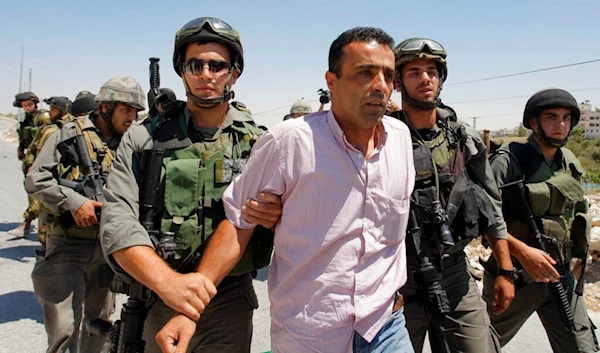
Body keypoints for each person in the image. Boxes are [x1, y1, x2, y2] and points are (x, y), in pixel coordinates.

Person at [157, 26, 416, 353]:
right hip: (312, 335)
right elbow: (239, 222)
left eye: (388, 75)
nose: (380, 85)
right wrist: (188, 311)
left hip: (385, 326)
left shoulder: (401, 140)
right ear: (331, 81)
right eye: (365, 73)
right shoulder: (289, 142)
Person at [99, 17, 277, 353]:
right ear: (182, 71)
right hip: (158, 295)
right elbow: (117, 223)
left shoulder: (257, 143)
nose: (206, 75)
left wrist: (274, 214)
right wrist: (170, 285)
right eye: (196, 65)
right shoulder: (145, 137)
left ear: (234, 72)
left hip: (228, 302)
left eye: (217, 66)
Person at [388, 37, 514, 353]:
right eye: (414, 71)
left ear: (441, 78)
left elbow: (492, 208)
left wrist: (506, 270)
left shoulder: (463, 139)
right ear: (398, 82)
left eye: (432, 70)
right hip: (396, 278)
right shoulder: (380, 136)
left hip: (454, 272)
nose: (425, 78)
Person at [26, 76, 145, 353]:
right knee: (64, 332)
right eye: (126, 110)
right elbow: (37, 180)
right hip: (68, 246)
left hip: (107, 248)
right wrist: (74, 202)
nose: (132, 117)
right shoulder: (68, 134)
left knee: (99, 328)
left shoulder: (131, 142)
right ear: (106, 107)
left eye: (136, 112)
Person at [482, 88, 599, 353]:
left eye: (567, 118)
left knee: (582, 346)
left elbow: (574, 214)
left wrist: (578, 257)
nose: (561, 124)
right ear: (534, 122)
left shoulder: (568, 161)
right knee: (481, 346)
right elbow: (482, 216)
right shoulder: (509, 160)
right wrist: (519, 257)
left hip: (561, 274)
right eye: (551, 117)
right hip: (516, 276)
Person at [23, 96, 74, 250]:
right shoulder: (47, 129)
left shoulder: (71, 130)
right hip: (45, 179)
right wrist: (30, 165)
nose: (50, 112)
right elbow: (32, 150)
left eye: (54, 109)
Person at [9, 91, 50, 237]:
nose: (27, 107)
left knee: (36, 192)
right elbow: (24, 136)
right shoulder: (26, 119)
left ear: (35, 104)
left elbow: (49, 137)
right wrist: (21, 149)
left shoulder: (43, 117)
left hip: (40, 160)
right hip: (29, 158)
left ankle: (26, 224)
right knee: (32, 191)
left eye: (29, 104)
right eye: (24, 105)